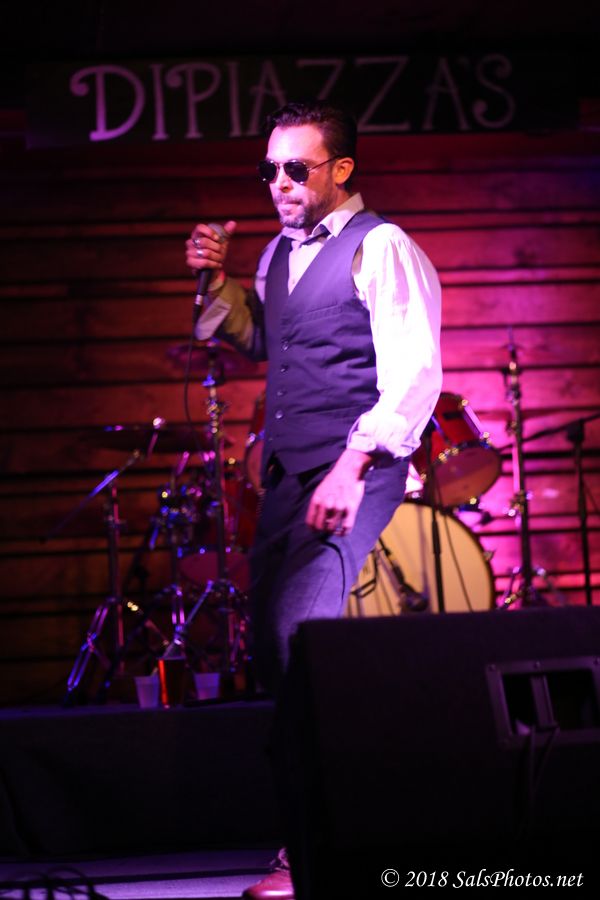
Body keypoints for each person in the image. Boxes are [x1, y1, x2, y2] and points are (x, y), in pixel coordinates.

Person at [185, 100, 442, 900]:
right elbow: (265, 339)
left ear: (342, 169)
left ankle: (313, 845)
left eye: (296, 169)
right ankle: (326, 826)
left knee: (297, 635)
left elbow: (414, 374)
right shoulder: (277, 254)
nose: (280, 184)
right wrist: (215, 281)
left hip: (354, 470)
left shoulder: (382, 246)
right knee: (273, 648)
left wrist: (350, 465)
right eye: (269, 170)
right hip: (288, 475)